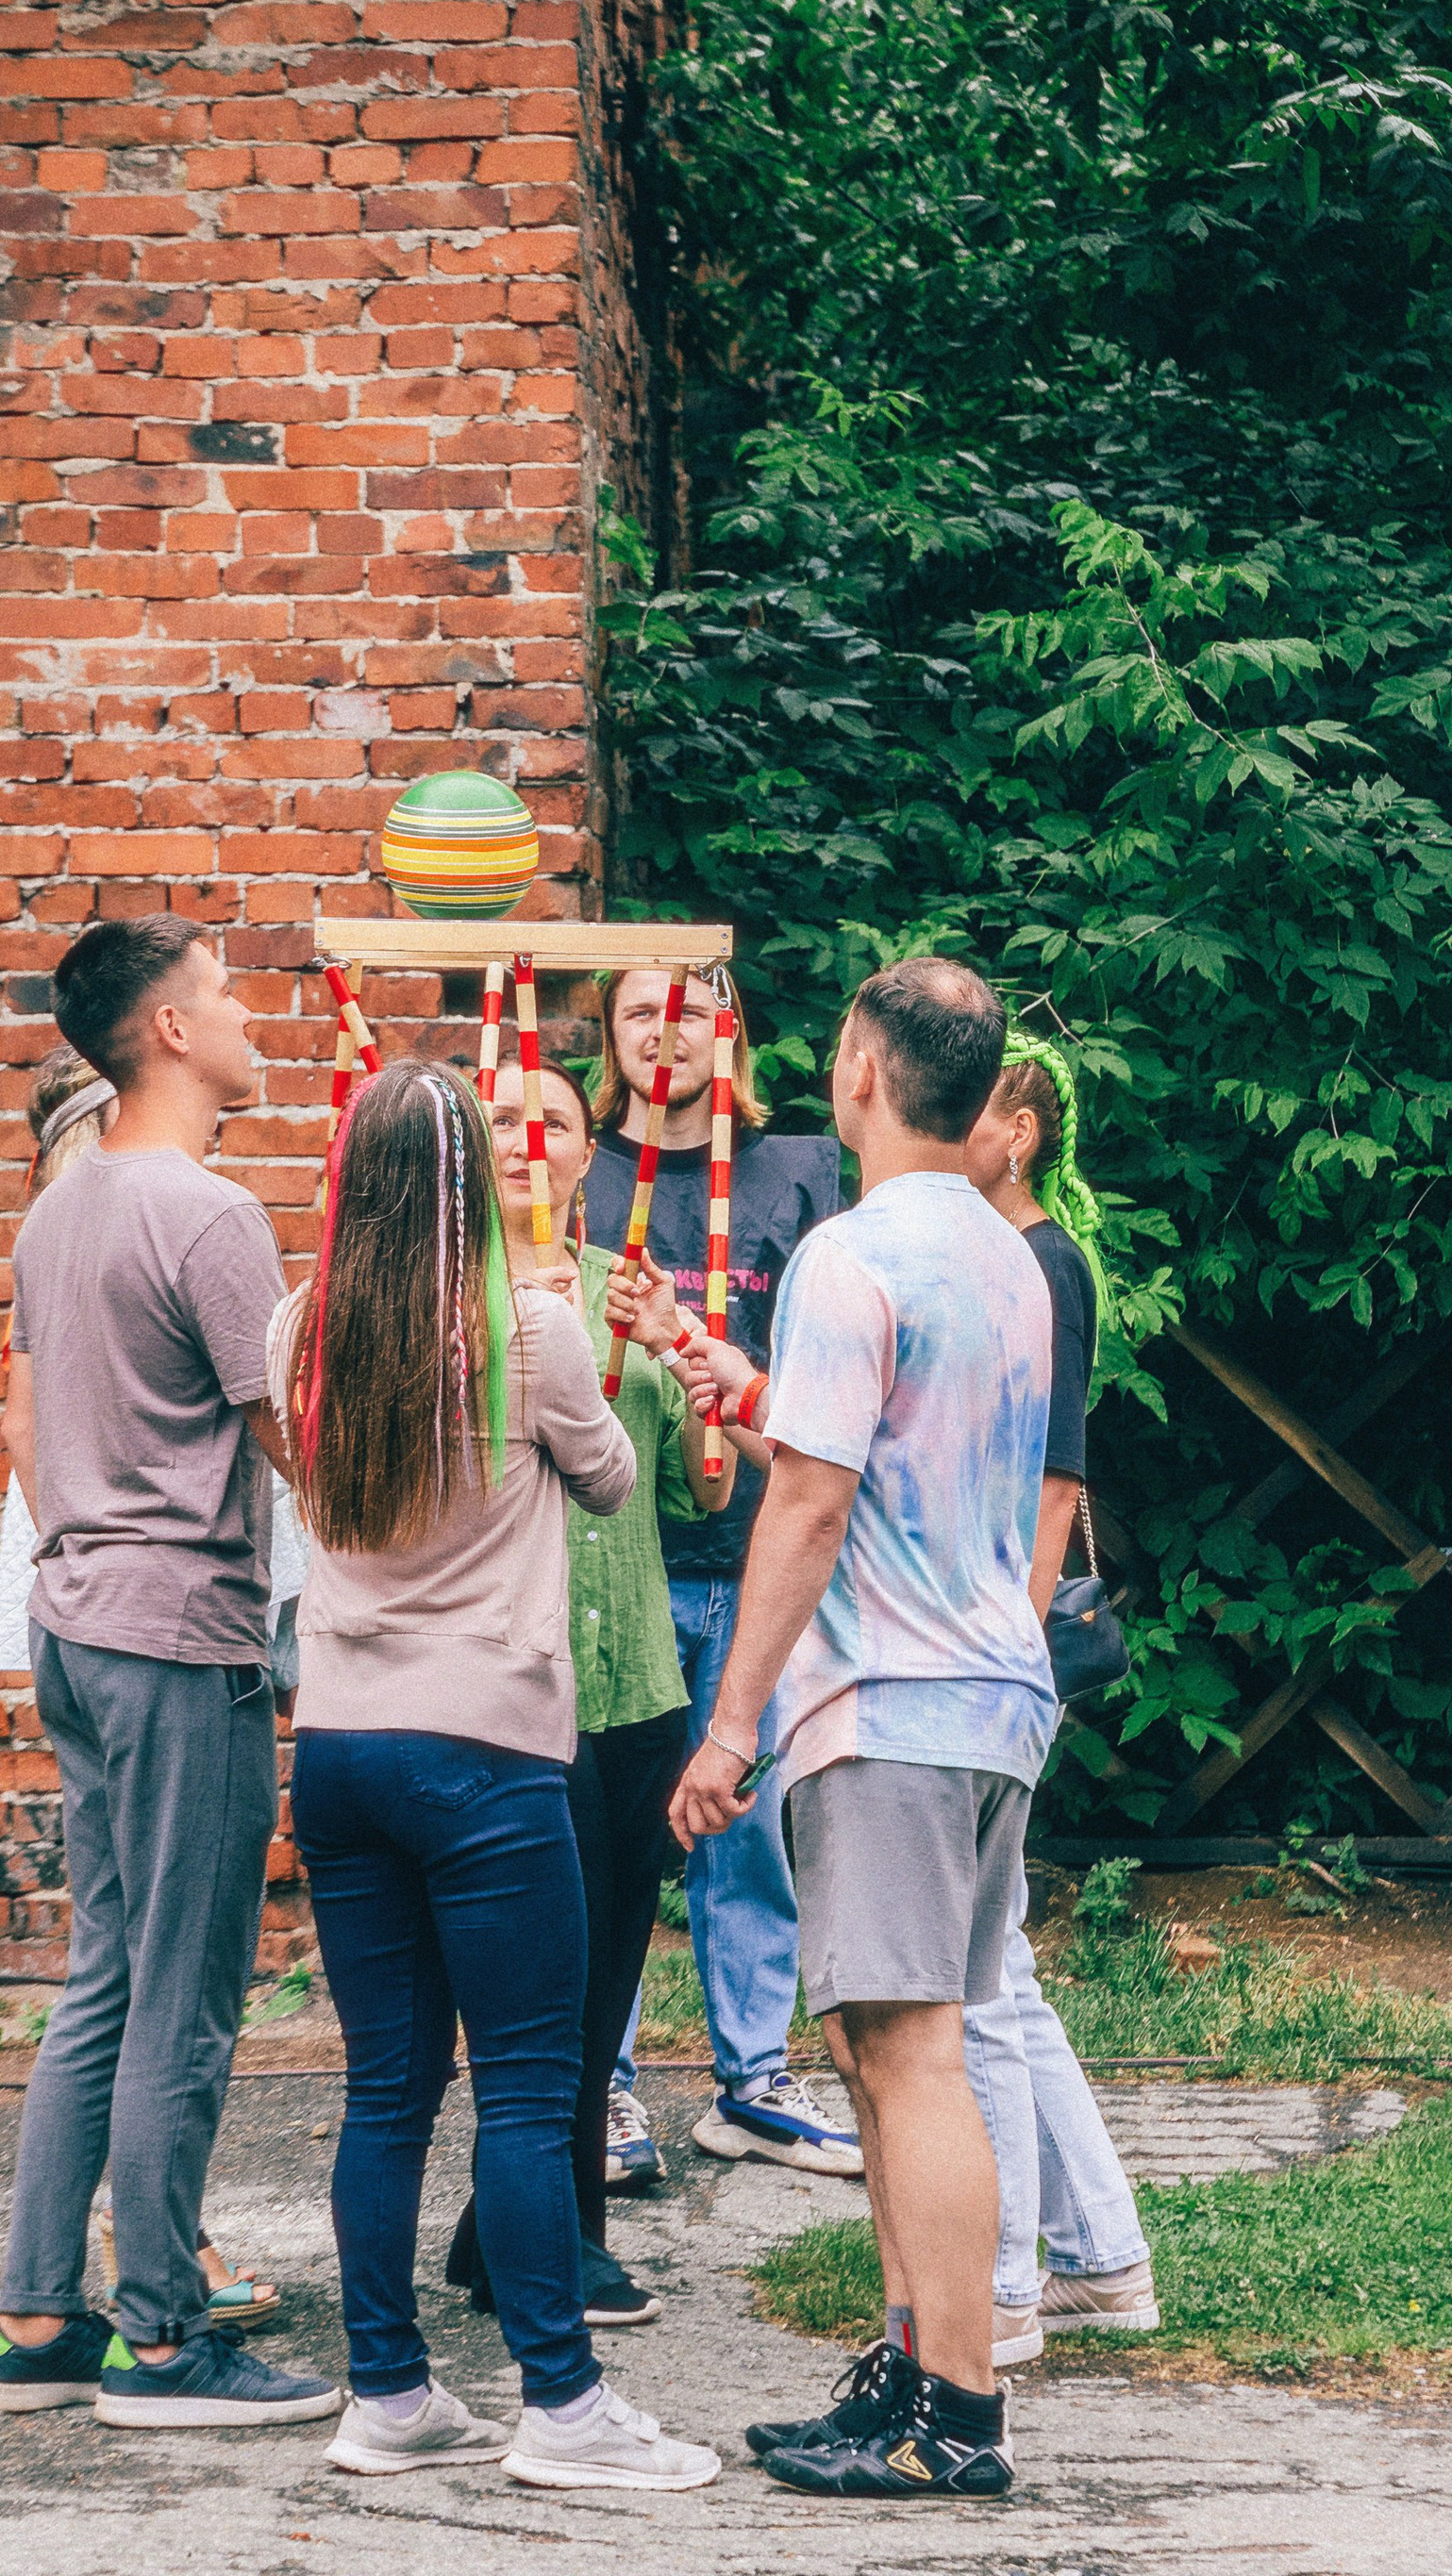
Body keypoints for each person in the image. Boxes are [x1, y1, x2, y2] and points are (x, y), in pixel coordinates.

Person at [277, 1055, 718, 2495]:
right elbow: (614, 1478)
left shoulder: (298, 1328)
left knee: (387, 2089)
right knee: (529, 2090)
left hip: (339, 1749)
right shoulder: (531, 1332)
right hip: (486, 1755)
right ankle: (562, 2405)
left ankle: (389, 2392)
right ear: (474, 1176)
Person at [673, 955, 1054, 2503]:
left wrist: (730, 1727)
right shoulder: (1010, 1258)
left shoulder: (848, 1252)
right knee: (876, 2042)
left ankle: (958, 2410)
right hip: (989, 1692)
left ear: (859, 1070)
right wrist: (753, 1393)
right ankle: (907, 2367)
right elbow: (879, 1456)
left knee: (910, 2052)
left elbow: (815, 1504)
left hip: (892, 1700)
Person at [0, 917, 338, 2431]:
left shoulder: (57, 1213)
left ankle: (34, 2313)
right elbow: (288, 1431)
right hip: (180, 1638)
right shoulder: (211, 1211)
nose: (250, 1017)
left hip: (75, 1623)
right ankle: (168, 2339)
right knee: (184, 1994)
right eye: (228, 994)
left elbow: (37, 1425)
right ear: (171, 1028)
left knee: (107, 1974)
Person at [441, 1058, 732, 2331]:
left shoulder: (631, 1293)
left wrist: (682, 1353)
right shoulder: (449, 1300)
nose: (527, 1138)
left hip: (639, 1690)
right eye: (502, 1119)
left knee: (608, 1975)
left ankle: (506, 2231)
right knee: (538, 1984)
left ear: (584, 1152)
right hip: (516, 1687)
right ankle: (555, 2239)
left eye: (552, 1119)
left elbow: (702, 1492)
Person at [583, 970, 858, 2185]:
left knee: (746, 1834)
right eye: (640, 1013)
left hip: (758, 1552)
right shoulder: (575, 1175)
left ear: (727, 1031)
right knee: (612, 1832)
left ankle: (753, 2079)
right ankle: (604, 2084)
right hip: (625, 1557)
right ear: (610, 1038)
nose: (666, 1033)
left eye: (689, 1011)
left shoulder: (796, 1173)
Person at [961, 1041, 1158, 2366]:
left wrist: (1016, 1637)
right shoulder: (1009, 1259)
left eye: (972, 1110)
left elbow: (1055, 1473)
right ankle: (1102, 2256)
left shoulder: (1043, 1265)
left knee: (979, 1973)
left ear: (1020, 1131)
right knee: (1004, 1963)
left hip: (998, 1645)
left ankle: (1010, 2283)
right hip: (992, 1638)